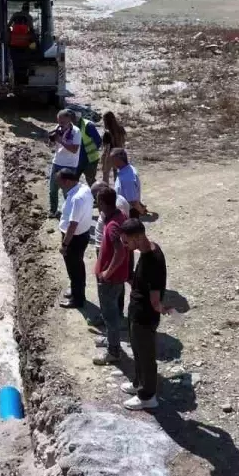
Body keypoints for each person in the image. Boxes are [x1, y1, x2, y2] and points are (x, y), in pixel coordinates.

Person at [118, 219, 167, 411]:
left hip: (144, 317)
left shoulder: (152, 261)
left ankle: (148, 396)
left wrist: (164, 308)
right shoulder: (148, 251)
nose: (124, 245)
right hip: (136, 311)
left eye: (127, 241)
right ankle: (138, 382)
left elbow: (155, 301)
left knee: (146, 356)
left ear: (138, 237)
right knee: (137, 351)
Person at [92, 187, 130, 367]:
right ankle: (111, 340)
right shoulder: (119, 216)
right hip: (115, 277)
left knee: (110, 315)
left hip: (110, 279)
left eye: (97, 200)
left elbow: (120, 252)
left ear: (102, 203)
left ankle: (113, 352)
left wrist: (107, 272)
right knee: (112, 312)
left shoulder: (114, 224)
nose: (95, 203)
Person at [57, 167, 93, 310]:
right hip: (80, 236)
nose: (58, 184)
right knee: (77, 267)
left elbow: (72, 225)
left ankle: (77, 300)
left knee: (74, 268)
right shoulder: (83, 188)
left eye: (59, 182)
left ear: (66, 181)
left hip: (74, 239)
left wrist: (65, 244)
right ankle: (75, 290)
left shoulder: (77, 198)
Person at [47, 109, 80, 218]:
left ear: (69, 119)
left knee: (68, 191)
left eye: (62, 122)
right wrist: (51, 140)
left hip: (70, 165)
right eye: (58, 121)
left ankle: (70, 212)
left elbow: (75, 149)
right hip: (57, 162)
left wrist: (61, 141)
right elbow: (52, 147)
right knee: (53, 188)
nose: (60, 124)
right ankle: (53, 210)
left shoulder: (76, 131)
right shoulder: (57, 129)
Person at [111, 148, 147, 218]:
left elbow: (132, 201)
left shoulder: (127, 179)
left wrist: (141, 211)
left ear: (119, 160)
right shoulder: (128, 169)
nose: (110, 163)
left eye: (112, 160)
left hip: (128, 213)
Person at [74, 111, 103, 186]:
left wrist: (89, 154)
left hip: (90, 160)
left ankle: (98, 196)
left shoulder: (88, 125)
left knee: (90, 180)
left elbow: (98, 141)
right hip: (77, 159)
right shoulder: (71, 126)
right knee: (73, 180)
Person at [100, 111, 127, 183]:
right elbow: (123, 142)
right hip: (120, 154)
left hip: (110, 155)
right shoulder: (121, 129)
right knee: (117, 176)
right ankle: (118, 190)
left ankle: (106, 192)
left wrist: (104, 162)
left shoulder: (107, 133)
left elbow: (107, 148)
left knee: (105, 176)